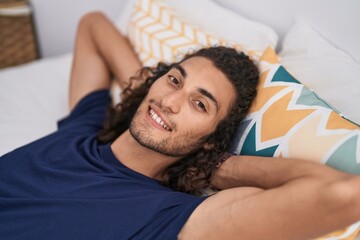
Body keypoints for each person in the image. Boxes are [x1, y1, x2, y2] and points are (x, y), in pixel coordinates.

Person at [0, 12, 359, 240]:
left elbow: (341, 194)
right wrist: (148, 96)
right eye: (174, 80)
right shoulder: (83, 127)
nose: (172, 101)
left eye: (199, 104)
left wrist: (215, 165)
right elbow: (92, 24)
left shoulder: (169, 217)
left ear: (210, 140)